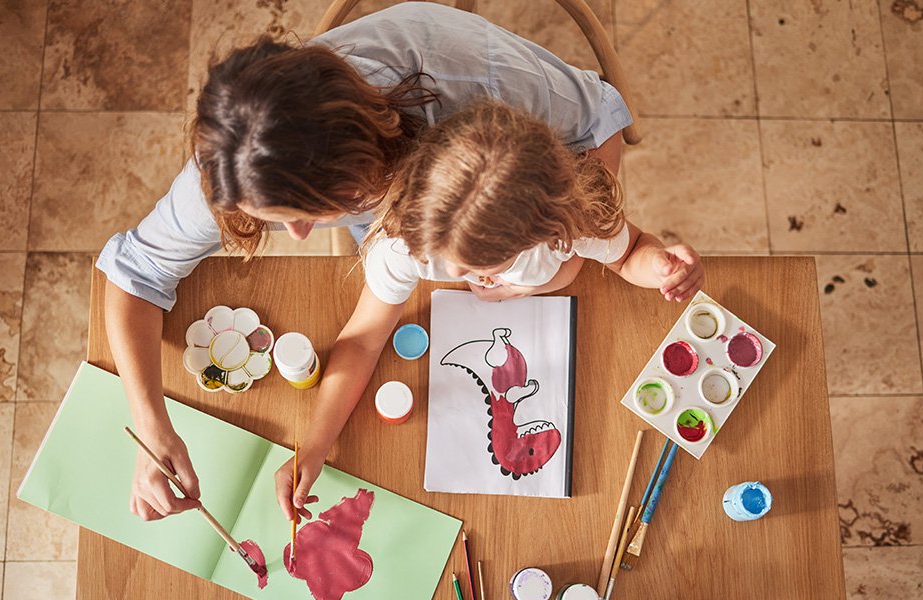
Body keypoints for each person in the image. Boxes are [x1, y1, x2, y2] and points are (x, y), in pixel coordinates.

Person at [99, 2, 636, 522]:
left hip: (522, 203)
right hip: (412, 235)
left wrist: (547, 264)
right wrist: (151, 428)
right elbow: (137, 271)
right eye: (276, 218)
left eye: (309, 212)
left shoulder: (475, 84)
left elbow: (599, 127)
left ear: (359, 163)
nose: (301, 235)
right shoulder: (237, 162)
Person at [275, 100, 703, 519]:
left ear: (546, 232)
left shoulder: (570, 220)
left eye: (483, 266)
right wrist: (314, 446)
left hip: (586, 122)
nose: (460, 274)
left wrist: (662, 267)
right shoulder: (403, 242)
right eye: (442, 257)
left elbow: (628, 254)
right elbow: (364, 340)